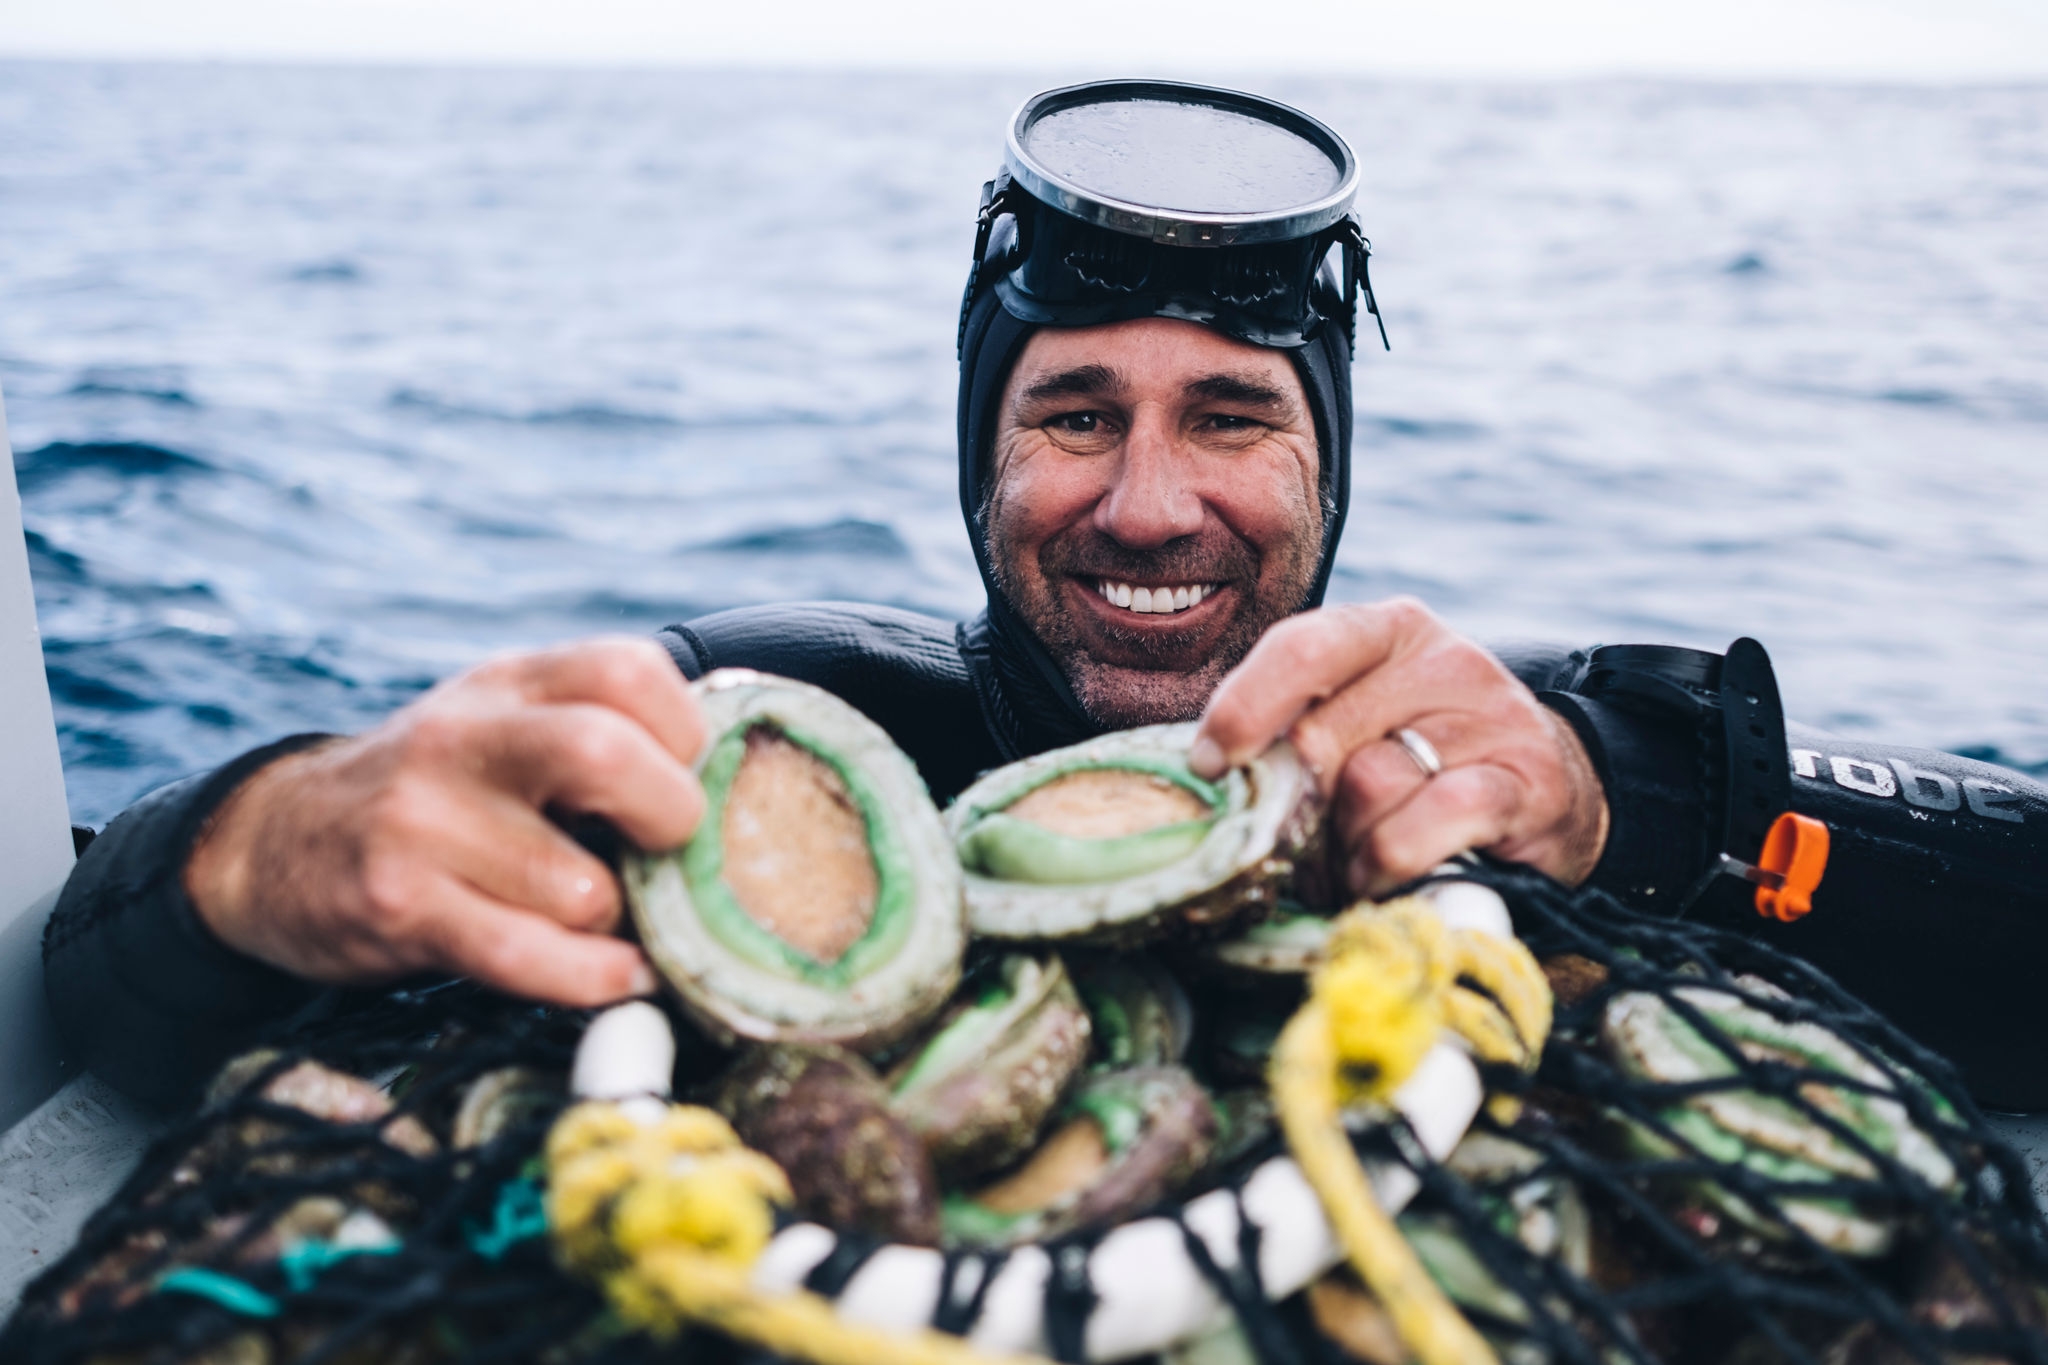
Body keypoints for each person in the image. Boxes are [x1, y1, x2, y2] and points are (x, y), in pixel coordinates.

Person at [42, 81, 2047, 1113]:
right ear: (977, 456)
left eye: (1235, 417)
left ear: (1326, 467)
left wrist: (1652, 803)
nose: (1151, 502)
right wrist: (260, 842)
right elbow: (105, 980)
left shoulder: (1482, 782)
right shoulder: (768, 744)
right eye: (1073, 409)